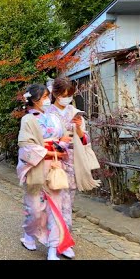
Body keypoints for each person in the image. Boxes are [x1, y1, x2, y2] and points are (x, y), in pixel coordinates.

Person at [17, 83, 74, 260]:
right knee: (34, 208)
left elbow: (64, 138)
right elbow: (26, 147)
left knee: (55, 208)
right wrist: (50, 151)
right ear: (34, 100)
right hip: (36, 167)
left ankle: (53, 247)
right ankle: (29, 234)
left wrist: (63, 143)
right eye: (44, 97)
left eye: (47, 96)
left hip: (55, 167)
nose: (47, 100)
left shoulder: (54, 118)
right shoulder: (27, 120)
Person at [45, 76, 89, 259]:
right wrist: (57, 143)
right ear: (54, 93)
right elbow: (41, 140)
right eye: (63, 94)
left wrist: (79, 129)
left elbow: (85, 141)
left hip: (71, 163)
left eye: (69, 95)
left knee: (67, 205)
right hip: (53, 161)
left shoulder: (74, 111)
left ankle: (65, 243)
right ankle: (52, 245)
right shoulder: (46, 112)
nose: (67, 98)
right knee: (54, 204)